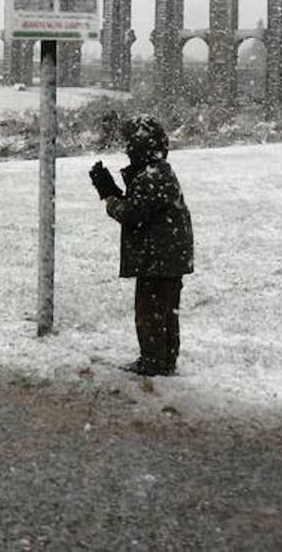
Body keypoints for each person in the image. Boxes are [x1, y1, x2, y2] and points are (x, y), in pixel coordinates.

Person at [89, 116, 194, 377]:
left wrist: (110, 196)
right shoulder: (158, 171)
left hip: (158, 258)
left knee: (151, 311)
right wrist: (113, 189)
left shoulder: (153, 176)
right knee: (166, 311)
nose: (126, 150)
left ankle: (154, 362)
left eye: (130, 145)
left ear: (141, 147)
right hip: (166, 256)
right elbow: (140, 205)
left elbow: (132, 214)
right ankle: (164, 359)